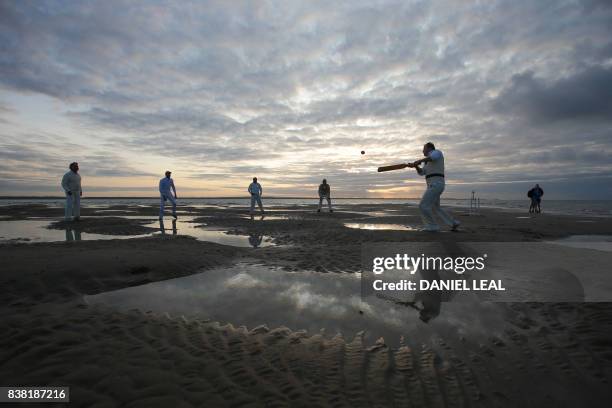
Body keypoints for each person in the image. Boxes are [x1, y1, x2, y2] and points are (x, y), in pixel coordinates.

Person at [408, 142, 460, 232]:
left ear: (429, 148)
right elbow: (422, 172)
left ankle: (432, 226)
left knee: (423, 206)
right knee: (436, 208)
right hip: (433, 185)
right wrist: (416, 166)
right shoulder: (427, 162)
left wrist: (419, 161)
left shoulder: (437, 152)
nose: (422, 150)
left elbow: (433, 158)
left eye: (424, 148)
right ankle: (453, 223)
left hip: (436, 184)